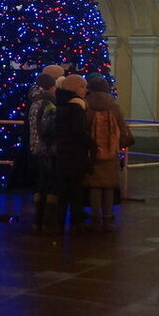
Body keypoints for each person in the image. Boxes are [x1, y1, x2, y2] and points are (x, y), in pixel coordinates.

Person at [84, 74, 134, 231]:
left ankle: (95, 213)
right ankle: (107, 213)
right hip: (111, 150)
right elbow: (122, 128)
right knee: (108, 184)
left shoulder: (86, 105)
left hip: (92, 151)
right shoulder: (114, 107)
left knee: (95, 184)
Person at [54, 74, 94, 231]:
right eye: (83, 87)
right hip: (75, 154)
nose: (86, 90)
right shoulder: (77, 107)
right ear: (74, 88)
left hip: (62, 152)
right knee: (76, 188)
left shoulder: (60, 103)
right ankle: (76, 220)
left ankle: (59, 221)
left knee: (63, 189)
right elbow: (79, 131)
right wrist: (90, 143)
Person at [28, 72, 58, 231]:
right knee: (50, 184)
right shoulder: (48, 102)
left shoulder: (34, 100)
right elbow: (49, 127)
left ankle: (38, 219)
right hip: (48, 148)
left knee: (41, 184)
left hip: (36, 145)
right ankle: (47, 220)